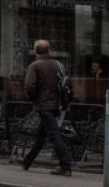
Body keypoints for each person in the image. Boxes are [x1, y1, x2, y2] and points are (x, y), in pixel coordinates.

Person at [21, 39, 71, 176]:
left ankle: (66, 165)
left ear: (35, 51)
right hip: (56, 104)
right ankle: (27, 162)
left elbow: (30, 86)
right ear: (49, 51)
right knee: (41, 134)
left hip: (43, 105)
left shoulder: (35, 66)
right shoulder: (58, 65)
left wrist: (33, 99)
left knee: (54, 134)